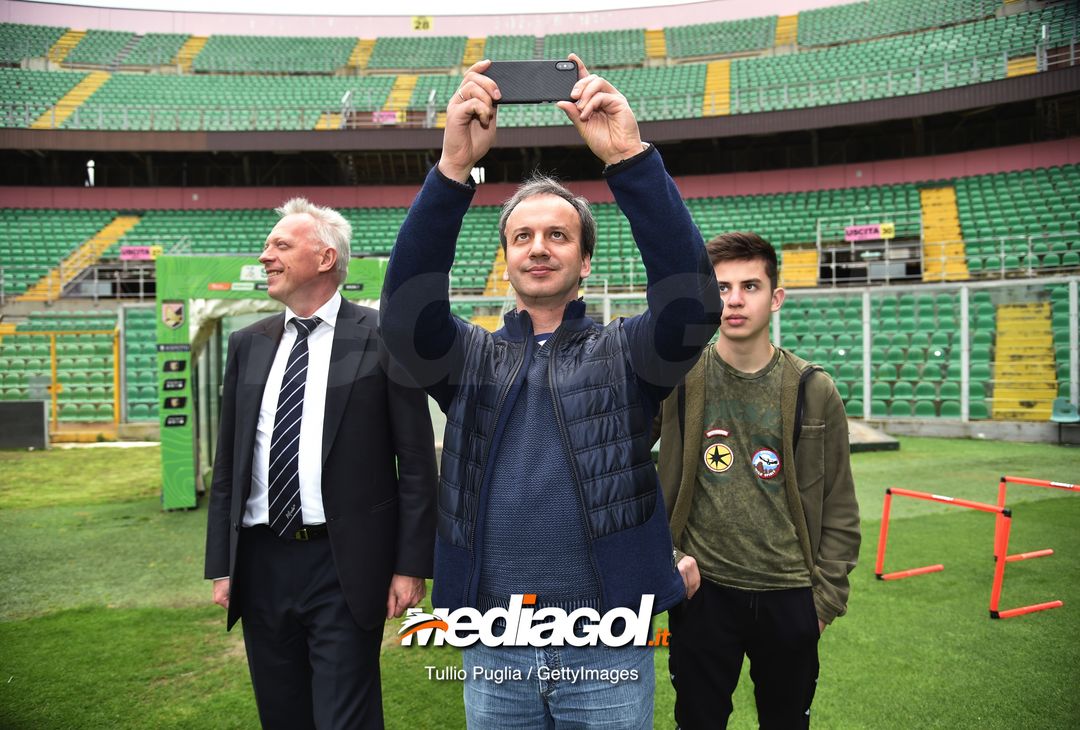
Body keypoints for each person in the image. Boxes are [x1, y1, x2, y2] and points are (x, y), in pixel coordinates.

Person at [379, 55, 721, 728]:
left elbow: (691, 306)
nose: (540, 247)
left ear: (585, 260)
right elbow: (403, 318)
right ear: (505, 259)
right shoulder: (470, 357)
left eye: (558, 235)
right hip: (496, 641)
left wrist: (629, 158)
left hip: (609, 643)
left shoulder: (628, 352)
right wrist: (452, 171)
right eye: (523, 236)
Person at [204, 198, 438, 730]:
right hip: (260, 561)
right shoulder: (247, 344)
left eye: (280, 245)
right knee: (282, 714)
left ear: (326, 257)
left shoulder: (384, 337)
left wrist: (409, 566)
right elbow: (230, 467)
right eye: (268, 246)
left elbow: (418, 465)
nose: (266, 256)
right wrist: (223, 563)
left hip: (344, 564)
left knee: (345, 717)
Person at [654, 232, 861, 729]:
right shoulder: (678, 380)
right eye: (722, 287)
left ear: (776, 297)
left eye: (750, 286)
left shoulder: (815, 388)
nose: (735, 300)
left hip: (791, 596)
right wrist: (670, 556)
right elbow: (629, 474)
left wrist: (823, 603)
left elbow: (840, 505)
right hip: (705, 595)